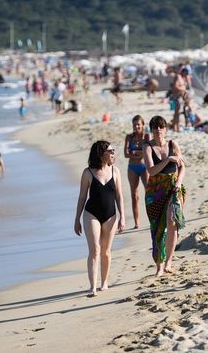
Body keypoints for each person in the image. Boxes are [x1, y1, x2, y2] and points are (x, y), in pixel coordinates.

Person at [74, 141, 125, 297]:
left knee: (106, 252)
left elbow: (119, 196)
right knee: (95, 250)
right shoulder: (88, 173)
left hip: (110, 215)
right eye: (110, 151)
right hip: (91, 214)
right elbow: (82, 197)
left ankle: (104, 283)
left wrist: (122, 217)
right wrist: (76, 219)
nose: (113, 153)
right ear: (101, 153)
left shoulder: (115, 171)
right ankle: (92, 286)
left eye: (113, 150)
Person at [142, 116, 185, 276]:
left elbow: (182, 166)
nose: (158, 130)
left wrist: (179, 182)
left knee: (172, 221)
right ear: (151, 130)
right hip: (155, 191)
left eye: (161, 127)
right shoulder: (147, 147)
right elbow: (151, 171)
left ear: (166, 129)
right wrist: (168, 160)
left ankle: (169, 262)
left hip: (174, 187)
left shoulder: (173, 144)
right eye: (155, 128)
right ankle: (159, 265)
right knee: (157, 227)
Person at [124, 115, 150, 230]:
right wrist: (139, 153)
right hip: (132, 167)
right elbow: (125, 154)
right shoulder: (129, 137)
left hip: (144, 167)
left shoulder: (147, 137)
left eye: (138, 124)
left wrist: (135, 153)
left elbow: (149, 152)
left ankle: (152, 219)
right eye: (134, 124)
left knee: (149, 193)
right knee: (134, 195)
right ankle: (137, 223)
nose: (136, 126)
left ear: (143, 125)